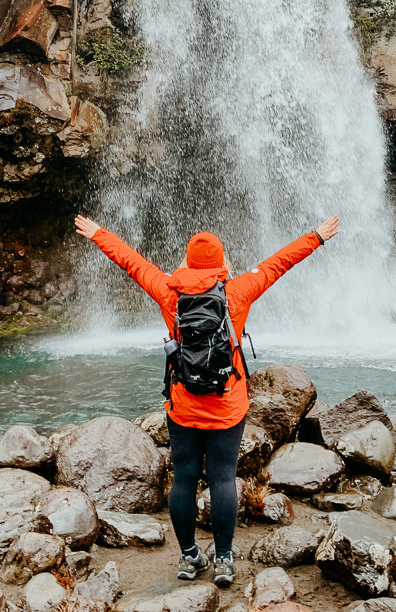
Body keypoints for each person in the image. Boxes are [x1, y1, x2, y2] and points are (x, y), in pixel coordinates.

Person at [74, 214, 339, 587]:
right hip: (227, 404)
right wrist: (316, 237)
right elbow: (280, 262)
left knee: (183, 479)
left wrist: (98, 233)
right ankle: (225, 561)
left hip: (183, 405)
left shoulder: (168, 290)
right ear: (221, 263)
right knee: (222, 479)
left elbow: (130, 260)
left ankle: (188, 558)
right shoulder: (238, 291)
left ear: (187, 262)